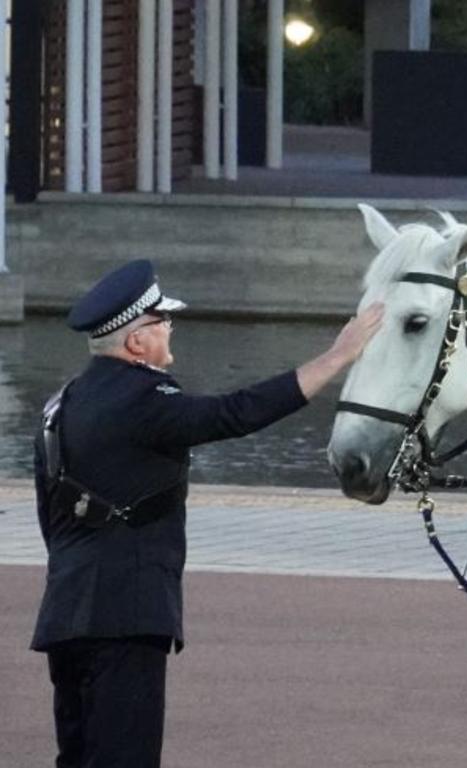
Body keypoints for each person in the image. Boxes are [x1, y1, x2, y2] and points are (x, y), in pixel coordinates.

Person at [31, 259, 383, 768]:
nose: (171, 328)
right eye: (162, 322)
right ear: (136, 343)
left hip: (65, 618)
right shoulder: (145, 399)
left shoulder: (60, 404)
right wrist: (338, 356)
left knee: (78, 758)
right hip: (127, 620)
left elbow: (50, 519)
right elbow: (235, 413)